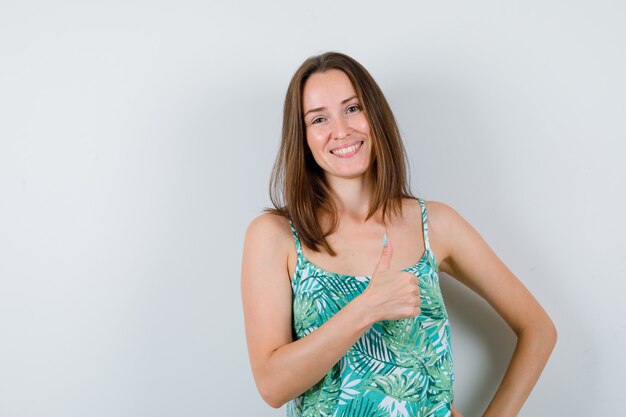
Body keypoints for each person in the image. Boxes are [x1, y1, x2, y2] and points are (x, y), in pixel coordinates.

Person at [240, 51, 557, 417]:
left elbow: (539, 330)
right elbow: (272, 385)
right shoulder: (275, 235)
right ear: (304, 138)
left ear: (375, 115)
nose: (341, 130)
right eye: (319, 119)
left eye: (353, 108)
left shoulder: (435, 225)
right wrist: (366, 308)